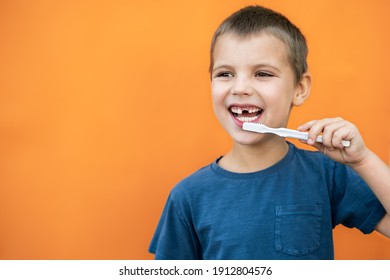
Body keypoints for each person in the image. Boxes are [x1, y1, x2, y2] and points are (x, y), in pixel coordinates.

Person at [148, 5, 390, 259]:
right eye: (225, 74)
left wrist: (364, 161)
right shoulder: (187, 197)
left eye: (262, 73)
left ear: (299, 88)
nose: (240, 88)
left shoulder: (327, 174)